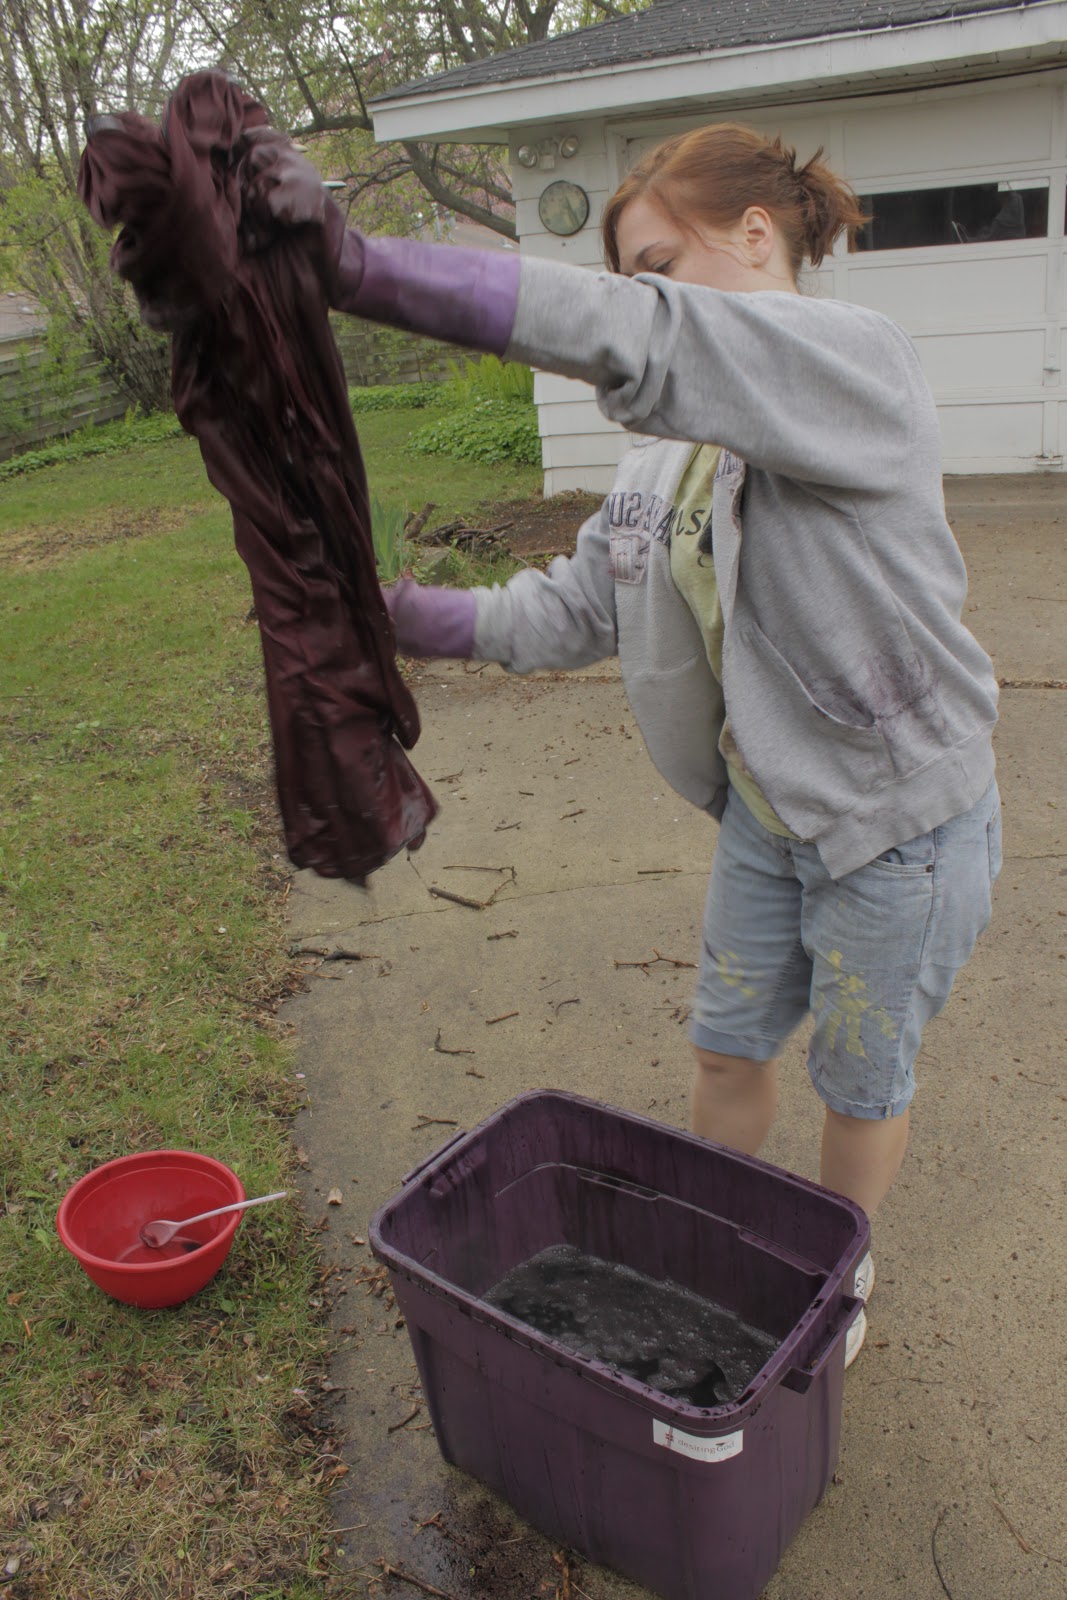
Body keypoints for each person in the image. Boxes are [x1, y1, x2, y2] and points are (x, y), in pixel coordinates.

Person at [333, 123, 1002, 1363]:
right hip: (765, 810)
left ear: (758, 234)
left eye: (657, 265)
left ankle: (828, 1276)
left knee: (857, 1083)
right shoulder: (659, 471)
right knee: (724, 1040)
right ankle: (709, 1228)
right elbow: (572, 608)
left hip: (896, 827)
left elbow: (651, 341)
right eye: (627, 274)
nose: (642, 299)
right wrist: (400, 618)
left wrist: (363, 267)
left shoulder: (856, 364)